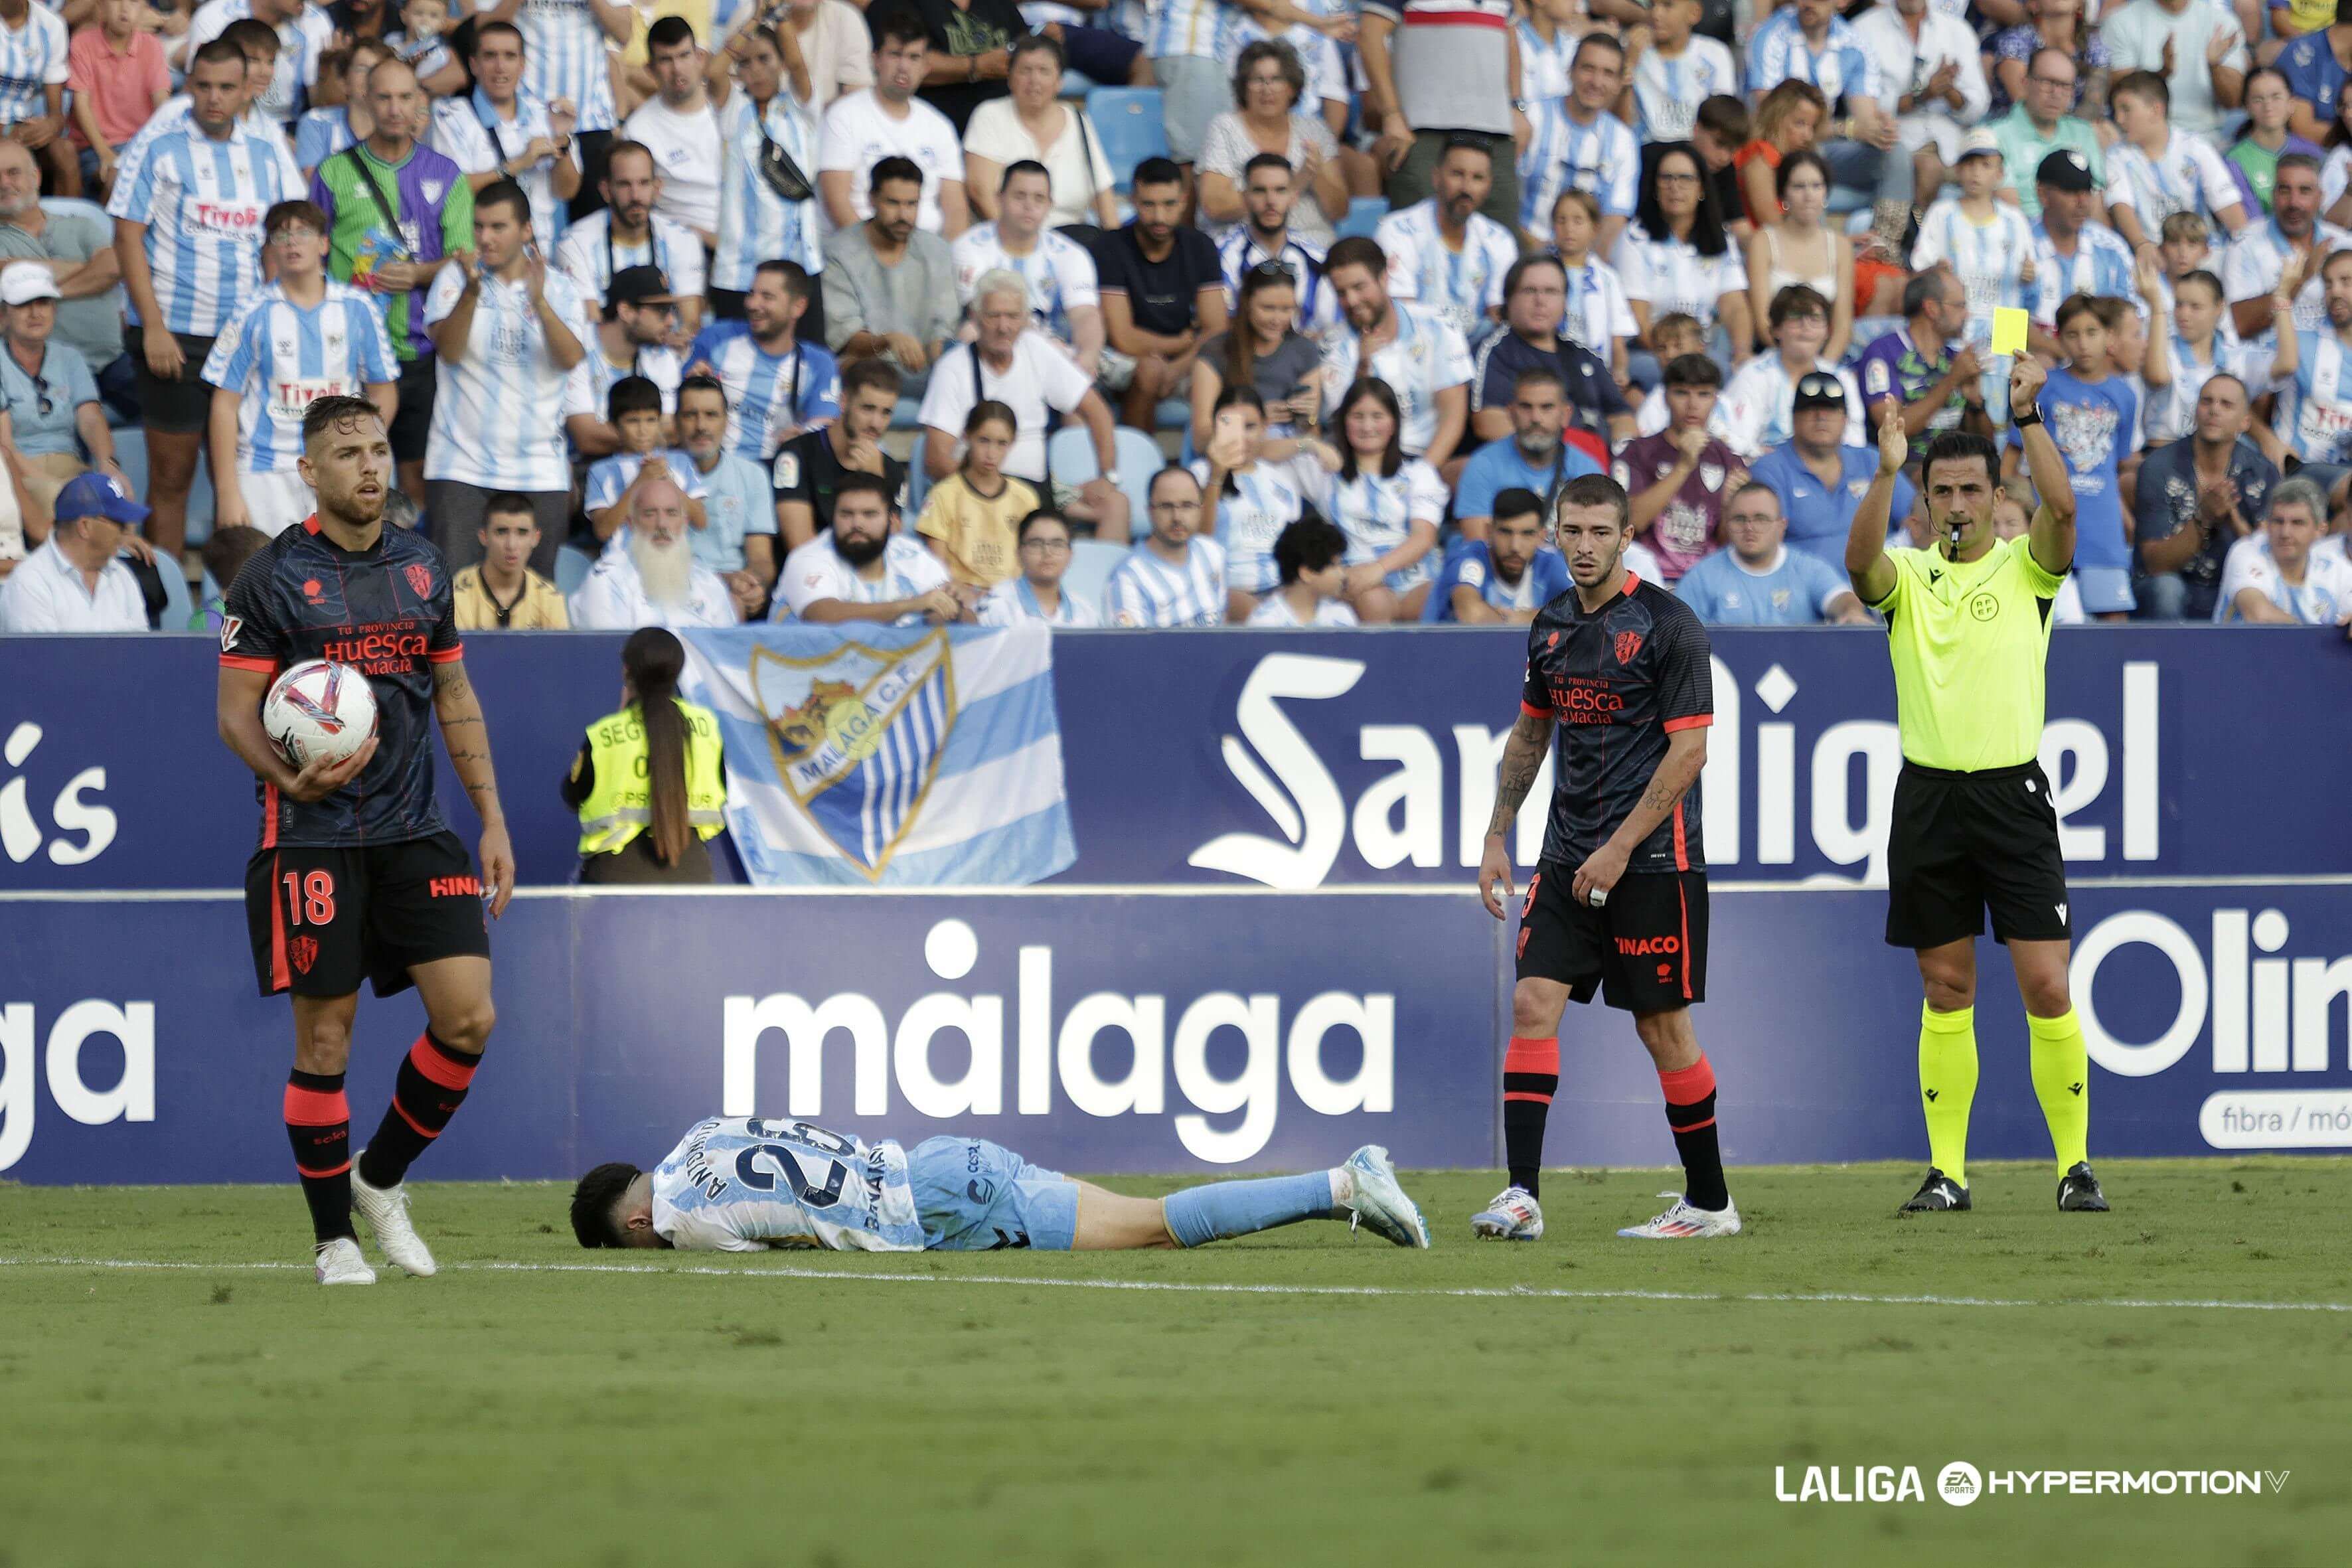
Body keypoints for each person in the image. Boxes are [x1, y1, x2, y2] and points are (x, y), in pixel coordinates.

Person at [215, 394, 514, 1285]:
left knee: (468, 1016)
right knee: (326, 1045)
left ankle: (378, 1180)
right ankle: (333, 1238)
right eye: (346, 453)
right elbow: (235, 714)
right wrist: (285, 774)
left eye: (379, 448)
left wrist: (491, 816)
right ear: (310, 471)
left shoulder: (424, 566)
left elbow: (453, 696)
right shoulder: (269, 577)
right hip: (309, 836)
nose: (369, 465)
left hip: (418, 829)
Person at [1843, 366, 2106, 1217]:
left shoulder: (2029, 572)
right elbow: (1858, 564)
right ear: (1922, 501)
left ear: (1998, 495)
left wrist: (2027, 415)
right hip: (1929, 801)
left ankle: (2075, 1167)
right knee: (1946, 988)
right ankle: (1947, 1173)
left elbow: (2066, 514)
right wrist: (1884, 469)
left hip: (2012, 800)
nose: (1955, 502)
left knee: (2048, 987)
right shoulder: (1909, 580)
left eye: (1970, 488)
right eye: (1941, 489)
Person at [1474, 471, 1734, 1245]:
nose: (1583, 547)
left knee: (1663, 1029)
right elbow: (1530, 735)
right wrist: (1497, 832)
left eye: (1599, 533)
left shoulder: (1670, 626)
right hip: (1564, 856)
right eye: (1572, 532)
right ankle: (1522, 1195)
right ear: (1556, 535)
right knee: (1531, 1005)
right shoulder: (1549, 624)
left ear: (1628, 537)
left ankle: (1711, 1203)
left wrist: (1621, 849)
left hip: (1653, 861)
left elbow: (1690, 752)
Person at [571, 1116, 1429, 1253]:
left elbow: (755, 1250)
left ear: (638, 1218)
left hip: (937, 1209)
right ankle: (1337, 1186)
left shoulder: (676, 1219)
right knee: (1149, 1220)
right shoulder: (700, 1132)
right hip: (936, 1160)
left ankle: (1342, 1183)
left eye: (636, 1243)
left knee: (1156, 1225)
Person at [108, 38, 307, 560]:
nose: (214, 98)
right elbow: (127, 235)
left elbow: (280, 240)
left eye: (225, 88)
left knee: (237, 481)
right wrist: (152, 326)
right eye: (203, 86)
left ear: (247, 90)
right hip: (175, 336)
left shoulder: (268, 155)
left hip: (245, 343)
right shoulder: (158, 147)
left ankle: (244, 607)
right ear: (189, 86)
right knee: (172, 478)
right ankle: (170, 610)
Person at [309, 57, 472, 506]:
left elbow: (464, 259)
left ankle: (412, 571)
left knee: (416, 474)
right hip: (352, 354)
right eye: (384, 96)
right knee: (350, 474)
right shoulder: (333, 172)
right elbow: (310, 254)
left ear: (421, 101)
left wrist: (419, 274)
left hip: (421, 351)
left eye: (405, 97)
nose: (395, 108)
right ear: (365, 98)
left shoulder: (446, 174)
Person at [424, 179, 591, 574]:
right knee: (455, 602)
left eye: (498, 227)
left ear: (527, 230)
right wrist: (470, 292)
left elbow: (570, 358)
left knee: (532, 606)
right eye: (479, 226)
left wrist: (539, 302)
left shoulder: (562, 288)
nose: (485, 237)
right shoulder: (454, 278)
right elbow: (448, 351)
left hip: (538, 471)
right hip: (459, 466)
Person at [204, 200, 400, 539]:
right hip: (265, 473)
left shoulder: (358, 309)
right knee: (269, 586)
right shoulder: (250, 312)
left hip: (339, 470)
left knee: (342, 582)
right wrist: (228, 492)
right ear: (271, 248)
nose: (292, 242)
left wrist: (354, 450)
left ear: (324, 243)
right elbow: (224, 404)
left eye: (303, 233)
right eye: (281, 236)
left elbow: (384, 391)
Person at [917, 270, 1124, 534]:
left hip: (1040, 486)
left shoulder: (1036, 349)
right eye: (994, 316)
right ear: (975, 318)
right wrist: (991, 491)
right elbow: (936, 459)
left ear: (1026, 319)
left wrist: (1107, 477)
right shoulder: (953, 368)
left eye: (1013, 316)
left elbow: (1098, 412)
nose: (1004, 327)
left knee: (1115, 504)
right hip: (978, 490)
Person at [2005, 292, 2143, 619]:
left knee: (2114, 622)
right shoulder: (2044, 385)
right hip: (2049, 518)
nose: (2083, 344)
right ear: (2060, 339)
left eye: (2092, 333)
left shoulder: (2125, 394)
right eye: (2072, 334)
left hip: (2103, 527)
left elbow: (2118, 465)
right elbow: (2012, 453)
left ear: (2109, 336)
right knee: (2047, 621)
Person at [564, 627, 726, 886]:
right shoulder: (707, 729)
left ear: (626, 671)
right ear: (677, 671)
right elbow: (721, 789)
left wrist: (622, 718)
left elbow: (573, 796)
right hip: (693, 877)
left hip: (616, 879)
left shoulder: (604, 735)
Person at [1745, 0, 1910, 243]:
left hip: (1823, 146)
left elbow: (1865, 118)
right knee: (1809, 159)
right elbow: (1772, 120)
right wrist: (1850, 128)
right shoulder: (1770, 35)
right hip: (1781, 151)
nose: (1807, 3)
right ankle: (1817, 250)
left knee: (1895, 153)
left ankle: (1884, 247)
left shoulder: (1855, 43)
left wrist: (1879, 129)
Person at [1358, 0, 1522, 228]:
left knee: (1500, 240)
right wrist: (1392, 114)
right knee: (1416, 236)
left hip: (1495, 133)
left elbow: (1510, 38)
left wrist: (1517, 106)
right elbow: (1369, 35)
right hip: (1421, 132)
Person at [426, 23, 582, 258]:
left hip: (541, 258)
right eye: (490, 56)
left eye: (509, 56)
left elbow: (567, 191)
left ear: (522, 65)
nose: (500, 67)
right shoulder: (449, 116)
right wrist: (516, 165)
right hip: (481, 258)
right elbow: (449, 190)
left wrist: (562, 140)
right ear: (474, 64)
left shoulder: (548, 114)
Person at [1095, 157, 1227, 428]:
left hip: (1187, 358)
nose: (1159, 217)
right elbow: (1123, 339)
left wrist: (1177, 367)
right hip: (1124, 359)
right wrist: (1178, 344)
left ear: (1184, 201)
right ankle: (1135, 461)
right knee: (1149, 371)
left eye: (1169, 204)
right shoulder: (1110, 247)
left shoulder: (1200, 246)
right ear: (1133, 201)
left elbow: (1216, 328)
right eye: (1148, 204)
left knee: (1228, 366)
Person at [1320, 235, 1471, 471]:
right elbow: (1346, 428)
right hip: (1364, 465)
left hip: (1431, 460)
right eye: (1341, 292)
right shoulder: (1332, 346)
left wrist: (1422, 476)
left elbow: (1452, 417)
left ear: (1384, 278)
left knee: (1471, 472)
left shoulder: (1438, 325)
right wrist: (1362, 366)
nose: (1352, 301)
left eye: (1359, 287)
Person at [1911, 129, 2036, 414]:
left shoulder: (2014, 220)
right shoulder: (1943, 214)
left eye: (1985, 165)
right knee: (1954, 402)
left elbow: (2027, 287)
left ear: (2000, 173)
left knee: (1999, 409)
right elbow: (1920, 270)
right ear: (1957, 170)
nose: (1975, 173)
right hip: (1955, 325)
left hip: (2005, 323)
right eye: (1969, 164)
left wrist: (2030, 277)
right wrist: (1935, 271)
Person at [2134, 372, 2276, 619]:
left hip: (2233, 586)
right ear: (2196, 410)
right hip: (2171, 585)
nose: (2214, 410)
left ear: (2245, 422)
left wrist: (2234, 521)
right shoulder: (2159, 466)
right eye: (2207, 401)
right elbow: (2156, 564)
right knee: (2168, 588)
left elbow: (2268, 561)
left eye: (2226, 404)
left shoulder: (2262, 472)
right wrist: (2203, 518)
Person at [817, 8, 968, 237]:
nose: (903, 67)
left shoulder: (940, 126)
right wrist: (879, 257)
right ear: (876, 59)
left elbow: (956, 209)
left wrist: (943, 262)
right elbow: (837, 202)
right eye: (895, 55)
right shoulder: (843, 116)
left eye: (914, 57)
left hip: (926, 255)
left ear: (926, 67)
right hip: (860, 253)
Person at [949, 161, 1104, 378]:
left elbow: (1086, 315)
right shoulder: (970, 246)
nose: (1029, 206)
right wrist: (1047, 353)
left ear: (1050, 204)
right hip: (998, 354)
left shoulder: (1071, 254)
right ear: (999, 198)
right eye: (1019, 196)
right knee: (970, 333)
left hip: (1061, 361)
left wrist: (1087, 358)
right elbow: (979, 318)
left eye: (1039, 198)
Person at [710, 23, 821, 319]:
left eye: (764, 59)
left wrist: (780, 15)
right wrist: (755, 18)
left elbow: (798, 64)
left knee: (804, 360)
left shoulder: (802, 107)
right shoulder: (732, 108)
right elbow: (712, 72)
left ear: (781, 62)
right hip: (740, 271)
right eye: (745, 63)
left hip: (799, 266)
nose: (756, 70)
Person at [822, 155, 961, 391]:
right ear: (872, 199)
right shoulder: (839, 253)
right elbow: (844, 338)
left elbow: (944, 328)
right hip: (863, 374)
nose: (903, 215)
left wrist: (944, 369)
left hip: (927, 374)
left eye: (912, 204)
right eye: (893, 203)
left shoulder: (938, 251)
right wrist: (888, 340)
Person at [1753, 370, 1921, 564]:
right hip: (1805, 589)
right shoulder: (1769, 469)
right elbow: (1762, 545)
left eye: (1831, 409)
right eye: (1810, 408)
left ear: (1845, 419)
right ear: (1794, 417)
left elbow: (1917, 519)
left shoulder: (1871, 460)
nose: (1821, 416)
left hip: (1877, 585)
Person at [1614, 143, 1752, 376]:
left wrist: (1742, 352)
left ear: (1701, 188)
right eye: (1666, 178)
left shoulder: (1721, 238)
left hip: (1703, 349)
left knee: (1739, 372)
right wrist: (1673, 354)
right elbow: (1638, 317)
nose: (1674, 187)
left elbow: (1735, 306)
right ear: (1655, 187)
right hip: (1652, 353)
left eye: (1685, 178)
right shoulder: (1634, 238)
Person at [0, 264, 121, 528]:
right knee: (70, 512)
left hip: (70, 465)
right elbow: (6, 447)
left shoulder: (70, 358)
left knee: (117, 501)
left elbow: (91, 418)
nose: (35, 313)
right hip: (16, 471)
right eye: (23, 305)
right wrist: (55, 489)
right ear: (4, 314)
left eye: (43, 302)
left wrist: (109, 466)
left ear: (54, 309)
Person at [1469, 252, 1630, 450]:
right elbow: (1488, 422)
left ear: (1565, 302)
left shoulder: (1583, 354)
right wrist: (1562, 457)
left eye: (1551, 291)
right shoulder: (1494, 350)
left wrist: (1623, 454)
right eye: (1530, 291)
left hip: (1596, 468)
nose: (1540, 301)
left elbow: (1622, 416)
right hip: (1532, 468)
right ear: (1509, 299)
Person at [684, 260, 841, 461]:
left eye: (767, 297)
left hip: (777, 474)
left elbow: (825, 424)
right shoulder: (715, 338)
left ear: (798, 306)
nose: (752, 304)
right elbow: (675, 402)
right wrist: (690, 384)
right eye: (751, 294)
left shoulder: (819, 363)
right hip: (711, 465)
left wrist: (804, 436)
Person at [961, 33, 1118, 233]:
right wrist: (1021, 243)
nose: (1034, 80)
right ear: (1009, 78)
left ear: (1059, 81)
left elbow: (1103, 194)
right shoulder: (990, 115)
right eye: (1025, 71)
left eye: (1044, 71)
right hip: (1007, 238)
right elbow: (981, 193)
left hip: (1071, 239)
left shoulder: (1078, 120)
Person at [1198, 40, 1346, 246]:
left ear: (1292, 88)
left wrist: (1316, 173)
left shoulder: (1316, 131)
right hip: (1243, 242)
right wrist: (1293, 185)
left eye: (1276, 79)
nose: (1266, 89)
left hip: (1310, 241)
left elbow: (1339, 210)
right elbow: (1214, 205)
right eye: (1257, 80)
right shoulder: (1225, 127)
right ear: (1243, 88)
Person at [1318, 377, 1441, 622]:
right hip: (1357, 580)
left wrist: (1379, 569)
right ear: (1343, 421)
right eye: (1358, 416)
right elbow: (1262, 451)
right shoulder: (1325, 471)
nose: (1367, 426)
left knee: (1451, 595)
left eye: (1377, 416)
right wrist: (1310, 445)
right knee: (1374, 602)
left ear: (1394, 423)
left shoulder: (1419, 472)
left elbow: (1423, 538)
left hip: (1415, 579)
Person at [1372, 138, 1518, 341]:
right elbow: (1402, 315)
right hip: (1416, 349)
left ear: (1489, 186)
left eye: (1478, 178)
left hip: (1478, 354)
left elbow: (1498, 316)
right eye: (1457, 174)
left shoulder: (1499, 239)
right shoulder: (1398, 230)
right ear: (1436, 177)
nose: (1466, 188)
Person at [1614, 353, 1743, 583]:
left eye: (1704, 394)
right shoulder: (1637, 452)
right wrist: (1684, 466)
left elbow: (1729, 542)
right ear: (1665, 397)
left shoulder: (1728, 459)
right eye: (1682, 393)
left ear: (1716, 399)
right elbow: (1631, 521)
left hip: (1707, 583)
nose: (1693, 405)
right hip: (1647, 580)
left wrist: (1730, 509)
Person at [1851, 0, 1990, 210]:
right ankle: (1920, 240)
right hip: (1896, 141)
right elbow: (1867, 112)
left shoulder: (1957, 30)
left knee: (1993, 170)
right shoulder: (1864, 29)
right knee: (1929, 168)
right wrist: (1923, 95)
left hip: (1955, 147)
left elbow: (1978, 107)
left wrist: (1949, 92)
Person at [552, 140, 708, 327]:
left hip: (667, 351)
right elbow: (591, 325)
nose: (635, 196)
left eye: (644, 183)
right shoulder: (575, 244)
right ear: (606, 190)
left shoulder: (683, 240)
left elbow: (690, 325)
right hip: (607, 352)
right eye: (625, 184)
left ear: (657, 188)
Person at [775, 468, 961, 624]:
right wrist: (912, 605)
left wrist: (951, 608)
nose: (857, 524)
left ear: (892, 520)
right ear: (834, 518)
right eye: (846, 514)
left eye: (869, 514)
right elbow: (823, 615)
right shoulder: (810, 558)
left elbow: (960, 618)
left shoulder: (911, 554)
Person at [1674, 479, 1868, 625]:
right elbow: (1678, 632)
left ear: (1782, 526)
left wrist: (1851, 612)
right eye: (1740, 519)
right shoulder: (1701, 577)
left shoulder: (1808, 568)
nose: (1749, 527)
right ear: (1727, 524)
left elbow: (1840, 598)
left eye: (1761, 519)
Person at [1707, 283, 1863, 461]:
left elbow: (1855, 443)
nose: (1806, 327)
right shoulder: (1753, 374)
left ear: (1827, 331)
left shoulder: (1842, 378)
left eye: (1816, 319)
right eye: (1796, 319)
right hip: (1767, 473)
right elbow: (1737, 440)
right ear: (1776, 329)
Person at [494, 0, 628, 202]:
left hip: (591, 121)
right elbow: (489, 30)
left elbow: (624, 34)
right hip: (528, 120)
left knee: (590, 225)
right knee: (528, 216)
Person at [1516, 35, 1636, 258]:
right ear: (1570, 71)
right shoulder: (1533, 119)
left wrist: (1576, 264)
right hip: (1522, 256)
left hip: (1584, 265)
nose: (1596, 82)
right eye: (1588, 69)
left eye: (1608, 73)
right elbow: (1507, 200)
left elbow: (1613, 221)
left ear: (1620, 84)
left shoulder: (1623, 140)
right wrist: (1540, 254)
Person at [2104, 72, 2250, 256]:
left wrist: (2248, 249)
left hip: (2202, 256)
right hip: (2150, 256)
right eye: (2116, 111)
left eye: (2126, 109)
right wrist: (2142, 246)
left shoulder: (2195, 148)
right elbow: (2121, 204)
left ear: (2156, 110)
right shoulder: (2117, 155)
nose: (2118, 119)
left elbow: (2227, 204)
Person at [572, 473, 744, 628]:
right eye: (650, 514)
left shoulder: (707, 581)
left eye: (671, 513)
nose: (661, 523)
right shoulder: (608, 581)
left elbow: (725, 650)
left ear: (684, 523)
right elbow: (608, 652)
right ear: (631, 523)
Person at [772, 355, 907, 549]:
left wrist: (876, 482)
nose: (876, 424)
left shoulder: (891, 471)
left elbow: (889, 548)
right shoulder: (796, 455)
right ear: (843, 401)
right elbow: (800, 547)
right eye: (868, 409)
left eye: (886, 413)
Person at [1856, 268, 1989, 463]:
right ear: (1932, 308)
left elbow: (1985, 445)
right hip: (1900, 472)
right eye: (1960, 305)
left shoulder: (1955, 359)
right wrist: (1951, 380)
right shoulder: (1883, 354)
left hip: (1954, 468)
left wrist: (1976, 404)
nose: (1967, 314)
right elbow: (1892, 431)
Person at [674, 372, 780, 617]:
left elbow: (761, 558)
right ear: (676, 422)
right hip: (672, 584)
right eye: (690, 415)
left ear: (727, 422)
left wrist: (753, 582)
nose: (701, 426)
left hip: (732, 591)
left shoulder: (753, 475)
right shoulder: (658, 473)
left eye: (711, 415)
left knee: (736, 600)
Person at [1456, 365, 1601, 537]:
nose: (1536, 418)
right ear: (1511, 413)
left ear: (1565, 415)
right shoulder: (1483, 465)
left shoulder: (1587, 469)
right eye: (1526, 407)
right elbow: (1478, 542)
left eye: (1546, 407)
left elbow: (1598, 539)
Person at [2225, 153, 2349, 352]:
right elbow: (2240, 324)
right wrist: (2301, 279)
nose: (2294, 202)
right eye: (2285, 191)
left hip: (2335, 362)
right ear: (2273, 196)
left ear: (2320, 198)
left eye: (2305, 191)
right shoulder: (2246, 244)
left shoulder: (2342, 243)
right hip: (2272, 365)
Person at [560, 264, 686, 457]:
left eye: (672, 310)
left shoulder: (663, 356)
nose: (670, 321)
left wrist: (621, 437)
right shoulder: (577, 346)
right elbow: (587, 437)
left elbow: (675, 430)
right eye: (661, 310)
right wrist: (652, 436)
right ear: (626, 311)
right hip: (582, 471)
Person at [1744, 151, 1855, 364]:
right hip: (1773, 356)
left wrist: (1822, 367)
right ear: (1783, 195)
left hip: (1825, 358)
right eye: (1798, 187)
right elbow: (1762, 321)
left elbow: (1843, 326)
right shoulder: (1763, 242)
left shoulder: (1841, 246)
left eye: (1816, 186)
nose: (1809, 195)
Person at [0, 471, 147, 631]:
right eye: (120, 524)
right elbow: (40, 655)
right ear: (85, 526)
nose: (125, 533)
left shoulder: (122, 577)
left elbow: (143, 651)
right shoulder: (30, 584)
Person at [1193, 258, 1322, 440]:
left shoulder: (1304, 350)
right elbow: (1201, 437)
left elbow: (1311, 434)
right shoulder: (1216, 350)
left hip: (1290, 452)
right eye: (1268, 308)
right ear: (1246, 304)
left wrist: (1307, 419)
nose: (1277, 319)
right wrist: (1253, 421)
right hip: (1235, 455)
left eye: (1286, 310)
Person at [917, 398, 1038, 589]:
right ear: (967, 436)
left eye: (1001, 443)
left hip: (1012, 600)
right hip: (959, 597)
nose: (991, 453)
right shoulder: (943, 494)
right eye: (984, 440)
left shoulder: (1025, 498)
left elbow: (1032, 562)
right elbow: (936, 570)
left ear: (1012, 443)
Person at [623, 17, 721, 248]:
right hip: (681, 247)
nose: (677, 69)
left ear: (700, 58)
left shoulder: (729, 107)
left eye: (684, 56)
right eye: (666, 60)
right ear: (650, 69)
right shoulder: (638, 130)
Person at [2099, 0, 2250, 145]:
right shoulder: (2120, 21)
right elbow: (2118, 96)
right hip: (2142, 136)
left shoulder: (2223, 23)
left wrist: (2214, 66)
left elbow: (2233, 101)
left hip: (2206, 136)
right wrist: (2162, 74)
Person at [584, 373, 708, 541]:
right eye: (633, 421)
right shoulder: (600, 471)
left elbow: (701, 521)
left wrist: (668, 482)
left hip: (674, 561)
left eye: (651, 420)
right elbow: (603, 531)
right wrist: (640, 481)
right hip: (621, 562)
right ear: (614, 424)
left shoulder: (681, 461)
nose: (643, 430)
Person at [2213, 473, 2352, 621]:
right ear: (2266, 524)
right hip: (2239, 644)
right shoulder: (2247, 551)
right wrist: (2310, 640)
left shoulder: (2334, 565)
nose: (2285, 533)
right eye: (2278, 521)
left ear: (2320, 530)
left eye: (2297, 523)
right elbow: (2259, 616)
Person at [1102, 463, 1227, 627]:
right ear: (1150, 511)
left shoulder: (1213, 553)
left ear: (1201, 509)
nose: (1177, 517)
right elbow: (1133, 649)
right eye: (1166, 507)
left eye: (1187, 506)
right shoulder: (1128, 577)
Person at [67, 0, 171, 198]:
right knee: (119, 181)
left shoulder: (152, 45)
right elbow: (81, 104)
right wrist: (105, 152)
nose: (124, 9)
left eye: (133, 2)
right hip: (94, 147)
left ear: (145, 9)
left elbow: (162, 104)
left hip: (140, 145)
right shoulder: (83, 43)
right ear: (102, 5)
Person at [1989, 48, 2105, 222]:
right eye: (2048, 82)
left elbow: (2095, 205)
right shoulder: (1996, 135)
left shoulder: (2084, 132)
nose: (2056, 93)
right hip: (2026, 237)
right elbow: (2010, 212)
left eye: (2065, 86)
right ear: (2025, 82)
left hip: (2079, 237)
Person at [1423, 487, 1570, 623]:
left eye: (1527, 534)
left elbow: (1584, 611)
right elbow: (1470, 613)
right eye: (1506, 532)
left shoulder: (1550, 563)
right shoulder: (1469, 557)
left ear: (1541, 536)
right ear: (1489, 531)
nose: (1515, 547)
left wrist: (1523, 617)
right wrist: (1527, 621)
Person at [185, 0, 333, 131]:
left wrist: (327, 71)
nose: (264, 71)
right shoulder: (214, 17)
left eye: (271, 61)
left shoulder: (316, 20)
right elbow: (200, 87)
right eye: (253, 60)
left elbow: (323, 109)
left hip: (293, 127)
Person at [1548, 191, 1635, 387]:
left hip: (1595, 372)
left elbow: (1617, 340)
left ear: (1595, 229)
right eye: (1561, 220)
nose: (1569, 228)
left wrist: (1620, 371)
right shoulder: (1537, 269)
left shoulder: (1608, 278)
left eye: (1578, 221)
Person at [452, 490, 571, 629]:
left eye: (522, 533)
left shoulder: (549, 598)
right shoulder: (456, 596)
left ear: (536, 538)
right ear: (484, 536)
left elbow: (559, 650)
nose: (511, 545)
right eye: (501, 532)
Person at [1988, 0, 2109, 124]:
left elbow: (2093, 105)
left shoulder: (2093, 46)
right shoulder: (2015, 42)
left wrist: (2076, 132)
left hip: (2077, 129)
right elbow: (2024, 103)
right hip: (2016, 130)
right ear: (2033, 5)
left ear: (2079, 5)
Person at [976, 505, 1099, 625]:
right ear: (1019, 552)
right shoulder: (997, 604)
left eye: (1057, 544)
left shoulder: (1085, 612)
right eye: (1036, 544)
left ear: (1070, 554)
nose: (1047, 553)